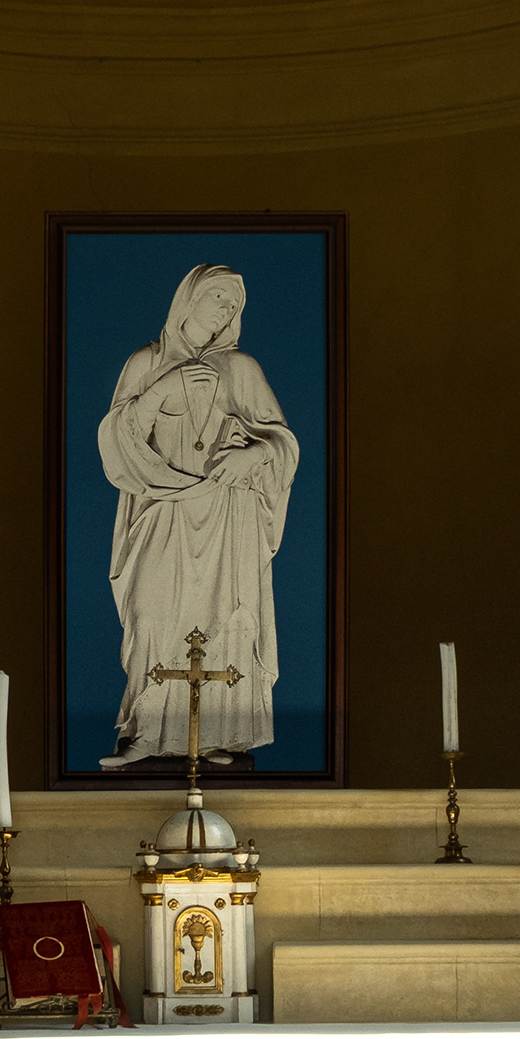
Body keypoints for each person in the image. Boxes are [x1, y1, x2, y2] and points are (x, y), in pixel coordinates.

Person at [95, 264, 298, 767]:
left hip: (229, 516)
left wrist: (253, 455)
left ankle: (217, 735)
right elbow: (118, 440)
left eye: (234, 304)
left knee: (227, 618)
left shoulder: (241, 369)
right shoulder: (147, 362)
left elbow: (283, 441)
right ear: (188, 300)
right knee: (151, 615)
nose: (227, 310)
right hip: (164, 512)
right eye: (218, 298)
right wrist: (164, 390)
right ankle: (145, 733)